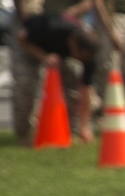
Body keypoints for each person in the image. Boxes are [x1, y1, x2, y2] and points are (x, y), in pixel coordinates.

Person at [16, 13, 99, 143]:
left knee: (73, 91)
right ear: (72, 43)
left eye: (84, 57)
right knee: (25, 88)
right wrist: (43, 56)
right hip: (30, 45)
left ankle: (71, 131)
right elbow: (21, 38)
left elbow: (85, 90)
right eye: (79, 55)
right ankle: (24, 135)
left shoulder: (88, 56)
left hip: (58, 55)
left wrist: (84, 126)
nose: (81, 59)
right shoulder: (52, 28)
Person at [10, 0, 49, 143]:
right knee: (23, 81)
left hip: (38, 22)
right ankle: (21, 131)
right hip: (25, 25)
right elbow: (19, 0)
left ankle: (34, 128)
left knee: (38, 80)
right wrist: (27, 28)